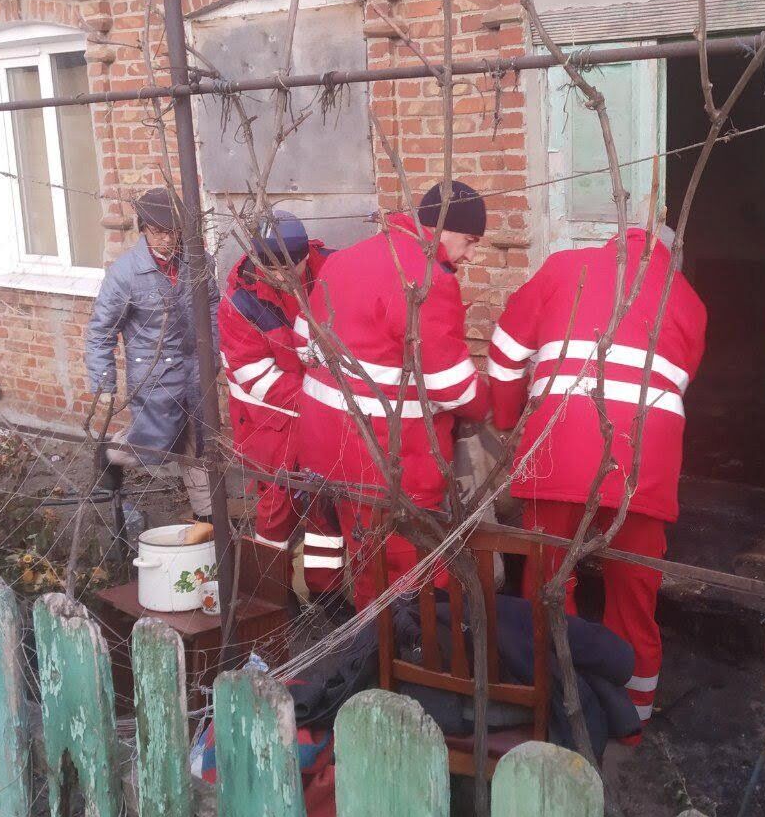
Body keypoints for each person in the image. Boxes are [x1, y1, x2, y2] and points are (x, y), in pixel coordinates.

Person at [487, 224, 707, 727]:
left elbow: (503, 355)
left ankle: (551, 703)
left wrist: (506, 424)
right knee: (635, 592)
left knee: (546, 582)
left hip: (557, 452)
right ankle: (631, 720)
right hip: (641, 468)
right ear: (667, 258)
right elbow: (678, 383)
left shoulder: (564, 269)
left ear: (613, 241)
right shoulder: (689, 300)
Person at [296, 181, 489, 607]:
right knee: (401, 566)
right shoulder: (425, 279)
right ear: (442, 228)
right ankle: (394, 652)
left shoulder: (345, 259)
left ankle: (354, 627)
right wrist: (485, 404)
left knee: (359, 545)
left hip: (324, 440)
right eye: (470, 241)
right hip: (384, 452)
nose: (471, 255)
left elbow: (303, 341)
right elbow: (451, 386)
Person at [218, 209, 344, 595]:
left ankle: (325, 596)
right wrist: (325, 397)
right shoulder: (240, 302)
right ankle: (268, 598)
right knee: (275, 514)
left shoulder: (334, 269)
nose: (287, 278)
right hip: (271, 424)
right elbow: (257, 378)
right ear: (258, 261)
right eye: (276, 271)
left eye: (296, 266)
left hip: (323, 420)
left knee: (327, 512)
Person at [85, 187, 220, 519]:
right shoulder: (126, 273)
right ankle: (110, 453)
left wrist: (215, 352)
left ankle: (207, 517)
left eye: (173, 232)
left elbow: (212, 306)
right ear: (143, 229)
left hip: (196, 369)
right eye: (159, 232)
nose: (167, 240)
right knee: (154, 445)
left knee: (197, 443)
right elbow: (101, 330)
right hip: (155, 376)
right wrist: (104, 384)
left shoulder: (197, 261)